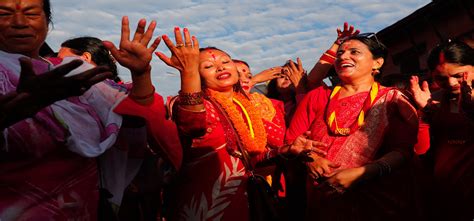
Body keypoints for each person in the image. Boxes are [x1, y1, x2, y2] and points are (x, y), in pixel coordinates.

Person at [0, 0, 178, 219]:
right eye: (4, 13)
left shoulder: (73, 72)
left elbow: (135, 119)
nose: (19, 22)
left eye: (31, 13)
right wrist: (10, 114)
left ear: (47, 22)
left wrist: (141, 73)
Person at [155, 27, 326, 221]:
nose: (220, 67)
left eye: (225, 62)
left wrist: (286, 150)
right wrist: (187, 72)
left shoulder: (246, 105)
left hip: (243, 198)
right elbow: (192, 124)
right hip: (203, 201)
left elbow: (252, 157)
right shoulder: (189, 102)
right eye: (208, 66)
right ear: (198, 76)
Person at [286, 33, 420, 220]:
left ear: (377, 63)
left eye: (354, 52)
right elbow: (292, 140)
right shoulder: (317, 97)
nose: (343, 57)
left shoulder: (392, 100)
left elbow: (404, 150)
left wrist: (362, 173)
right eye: (340, 53)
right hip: (322, 200)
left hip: (375, 199)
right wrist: (310, 159)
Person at [409, 40, 473, 220]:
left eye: (459, 75)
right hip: (447, 199)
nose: (452, 83)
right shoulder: (438, 101)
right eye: (441, 78)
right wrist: (427, 115)